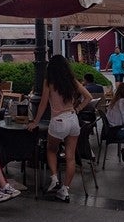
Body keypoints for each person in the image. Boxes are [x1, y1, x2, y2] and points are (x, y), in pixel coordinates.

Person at [29, 54, 92, 202]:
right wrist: (78, 108)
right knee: (70, 158)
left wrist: (35, 122)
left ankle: (54, 178)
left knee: (51, 150)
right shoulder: (71, 81)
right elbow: (88, 96)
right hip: (72, 119)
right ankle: (65, 190)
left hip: (58, 120)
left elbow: (43, 103)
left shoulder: (49, 82)